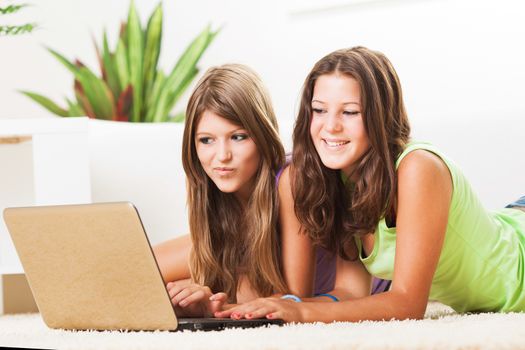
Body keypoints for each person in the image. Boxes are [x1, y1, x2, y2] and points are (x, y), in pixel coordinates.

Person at [215, 46, 525, 322]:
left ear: (380, 116)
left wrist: (303, 311)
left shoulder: (418, 168)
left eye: (349, 112)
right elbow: (351, 292)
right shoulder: (338, 181)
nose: (331, 126)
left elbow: (408, 303)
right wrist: (286, 305)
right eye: (319, 110)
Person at [152, 63, 343, 317]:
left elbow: (293, 298)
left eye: (238, 137)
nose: (222, 156)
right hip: (248, 264)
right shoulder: (208, 186)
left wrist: (215, 305)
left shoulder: (291, 180)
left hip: (330, 297)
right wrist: (194, 296)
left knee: (229, 285)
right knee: (138, 267)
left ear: (262, 135)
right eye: (206, 140)